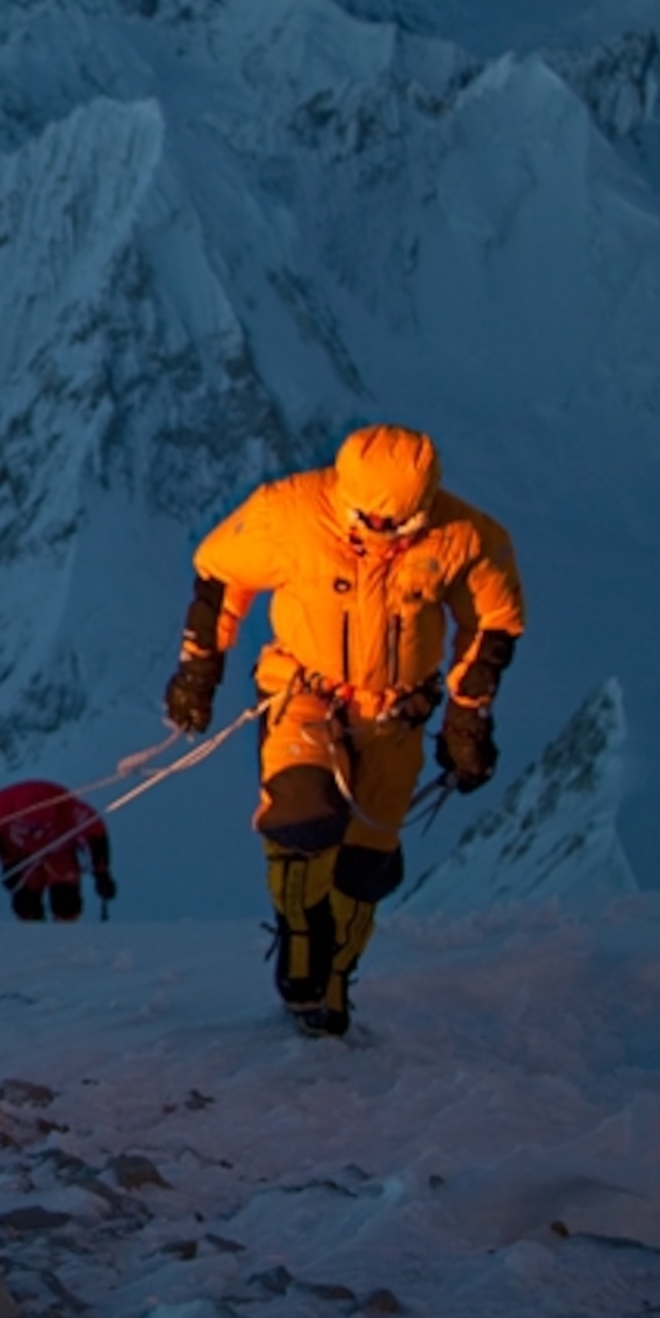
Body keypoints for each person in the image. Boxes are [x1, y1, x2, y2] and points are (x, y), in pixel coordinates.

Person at [163, 424, 524, 1037]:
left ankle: (331, 987)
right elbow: (222, 572)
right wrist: (200, 668)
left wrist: (466, 716)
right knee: (300, 816)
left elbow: (492, 621)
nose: (383, 535)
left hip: (395, 716)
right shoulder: (292, 513)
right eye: (368, 521)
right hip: (303, 691)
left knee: (366, 865)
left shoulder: (463, 536)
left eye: (401, 525)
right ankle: (301, 953)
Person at [0, 779, 116, 921]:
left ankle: (65, 933)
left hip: (60, 851)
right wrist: (9, 864)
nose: (37, 832)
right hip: (25, 854)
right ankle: (30, 934)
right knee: (26, 901)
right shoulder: (1, 807)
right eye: (31, 827)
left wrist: (101, 872)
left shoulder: (73, 809)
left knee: (66, 900)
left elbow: (96, 835)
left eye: (42, 826)